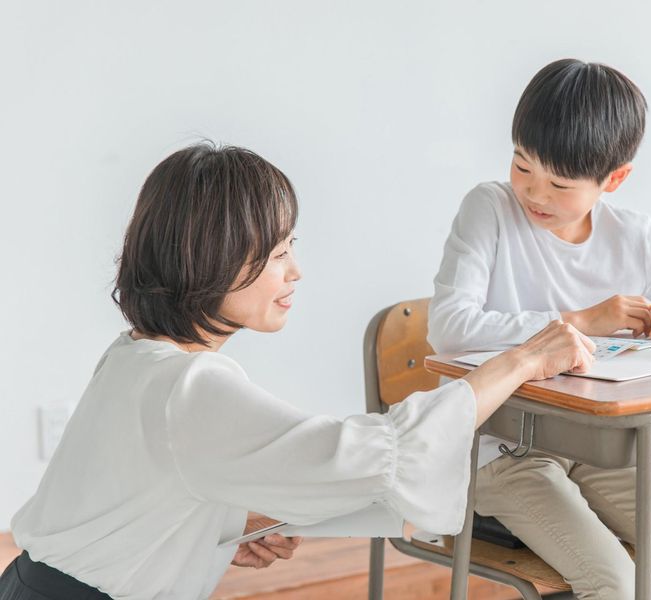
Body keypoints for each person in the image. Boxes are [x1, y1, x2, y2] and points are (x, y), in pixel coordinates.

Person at [0, 143, 595, 600]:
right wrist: (521, 359)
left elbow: (135, 495)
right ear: (214, 260)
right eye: (279, 253)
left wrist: (223, 524)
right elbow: (387, 451)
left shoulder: (136, 355)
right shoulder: (190, 387)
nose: (295, 271)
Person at [428, 59, 651, 599]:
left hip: (595, 449)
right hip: (500, 451)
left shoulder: (632, 234)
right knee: (612, 583)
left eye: (559, 183)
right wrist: (581, 321)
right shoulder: (490, 209)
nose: (535, 194)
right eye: (522, 165)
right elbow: (449, 329)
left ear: (613, 179)